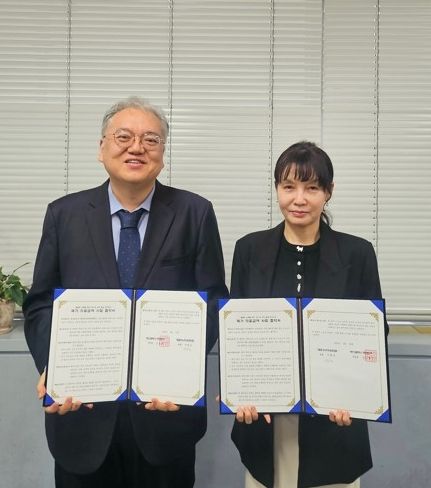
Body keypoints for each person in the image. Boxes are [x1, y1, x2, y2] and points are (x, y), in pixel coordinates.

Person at [23, 96, 228, 488]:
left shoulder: (195, 213)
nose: (137, 148)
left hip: (164, 419)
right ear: (102, 147)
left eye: (150, 139)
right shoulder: (63, 215)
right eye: (124, 137)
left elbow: (213, 301)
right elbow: (40, 303)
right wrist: (55, 365)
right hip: (81, 417)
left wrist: (179, 372)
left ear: (162, 153)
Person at [229, 141, 387, 488]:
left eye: (312, 188)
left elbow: (374, 335)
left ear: (328, 192)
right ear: (277, 189)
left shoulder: (357, 253)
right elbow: (235, 332)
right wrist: (236, 389)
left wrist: (356, 395)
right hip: (267, 422)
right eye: (289, 187)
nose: (299, 199)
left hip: (335, 421)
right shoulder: (249, 249)